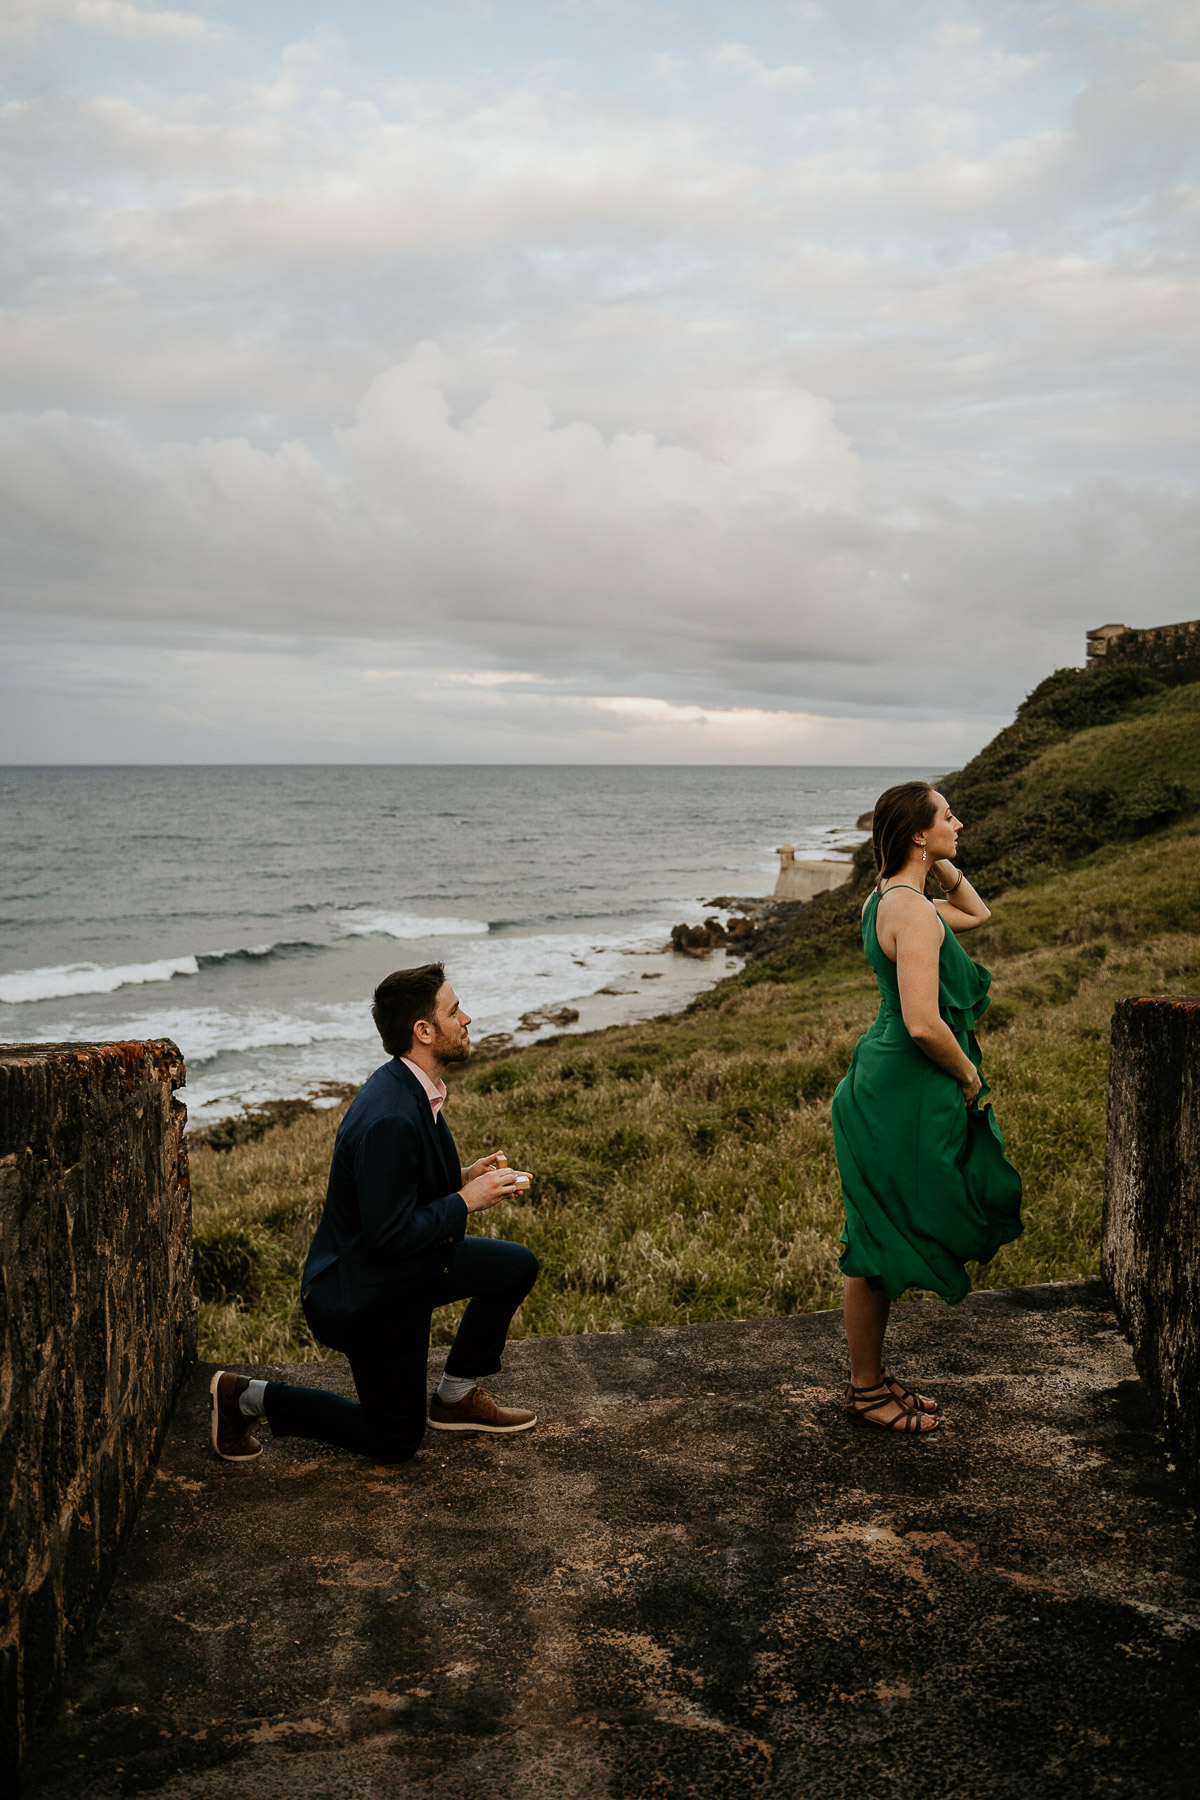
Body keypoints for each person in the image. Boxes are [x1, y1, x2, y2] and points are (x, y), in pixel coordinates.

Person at [209, 962, 540, 1464]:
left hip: (404, 1266)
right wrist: (465, 1202)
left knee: (516, 1266)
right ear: (423, 1031)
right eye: (454, 1011)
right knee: (395, 1442)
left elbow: (395, 1195)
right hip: (365, 1292)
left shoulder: (413, 1088)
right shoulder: (390, 1114)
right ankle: (246, 1396)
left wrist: (462, 1179)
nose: (467, 1018)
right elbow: (388, 1236)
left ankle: (453, 1399)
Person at [831, 782, 1023, 1433]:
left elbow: (977, 911)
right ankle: (865, 1393)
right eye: (946, 818)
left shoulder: (893, 898)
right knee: (876, 1240)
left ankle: (874, 1379)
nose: (959, 822)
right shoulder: (912, 913)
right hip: (902, 1086)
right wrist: (970, 1075)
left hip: (894, 1082)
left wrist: (936, 857)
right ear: (917, 830)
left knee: (885, 1233)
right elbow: (922, 1022)